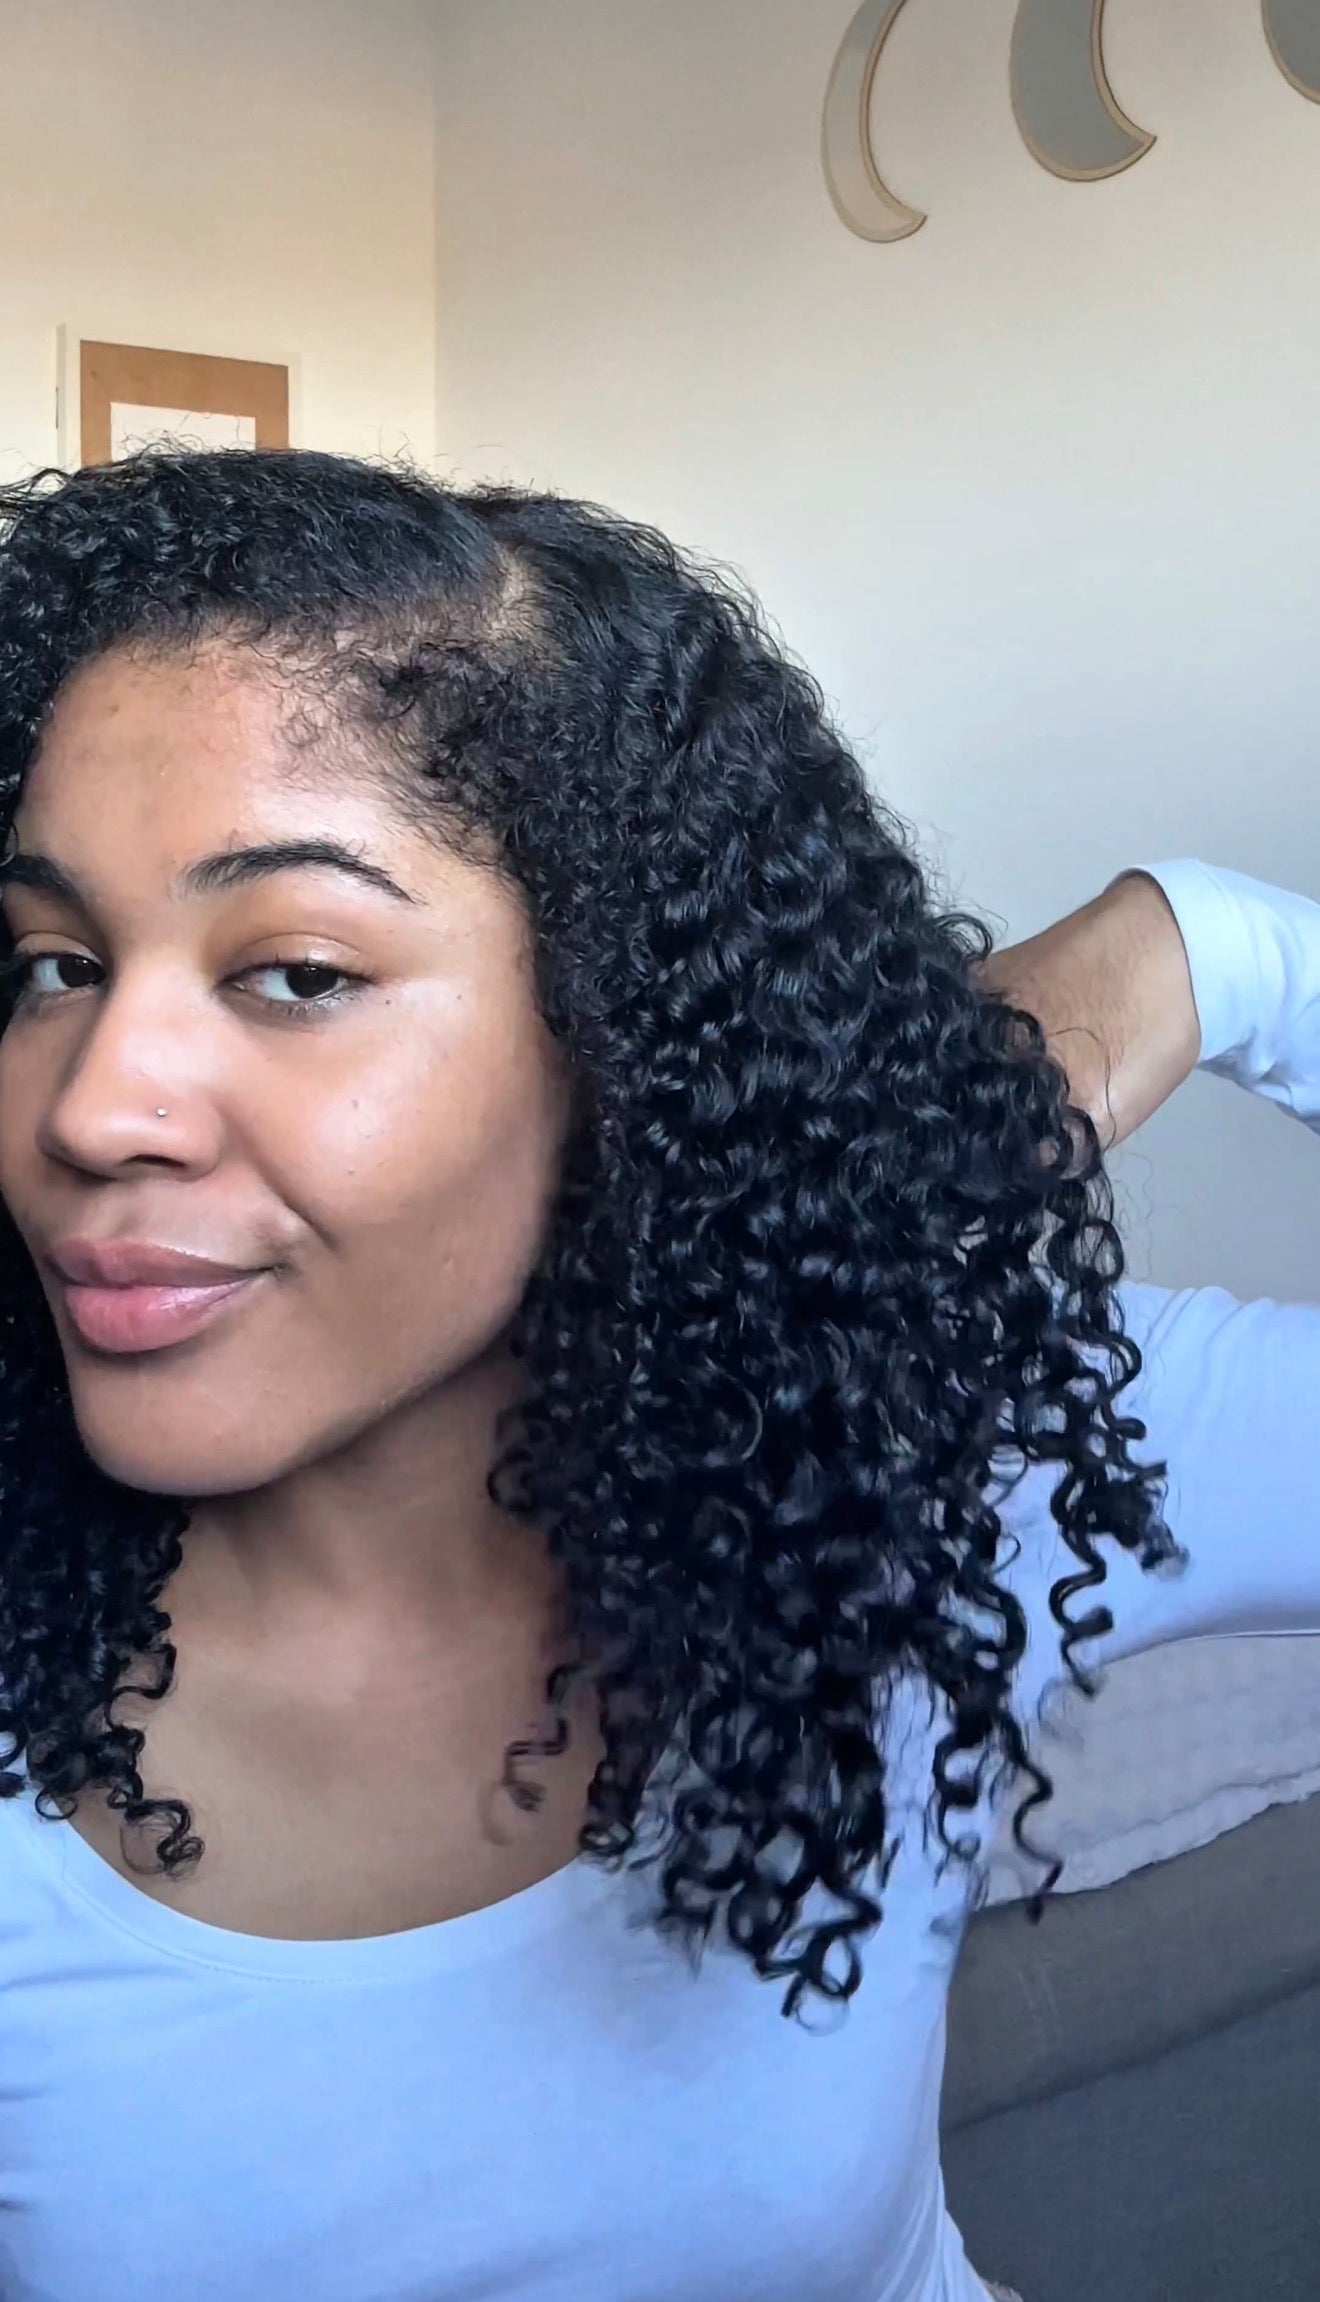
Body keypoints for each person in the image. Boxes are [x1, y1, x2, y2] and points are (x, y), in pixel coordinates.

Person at [0, 449, 1315, 2302]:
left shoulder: (929, 1473)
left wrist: (1216, 947)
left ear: (626, 1043)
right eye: (53, 962)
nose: (89, 1108)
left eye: (294, 972)